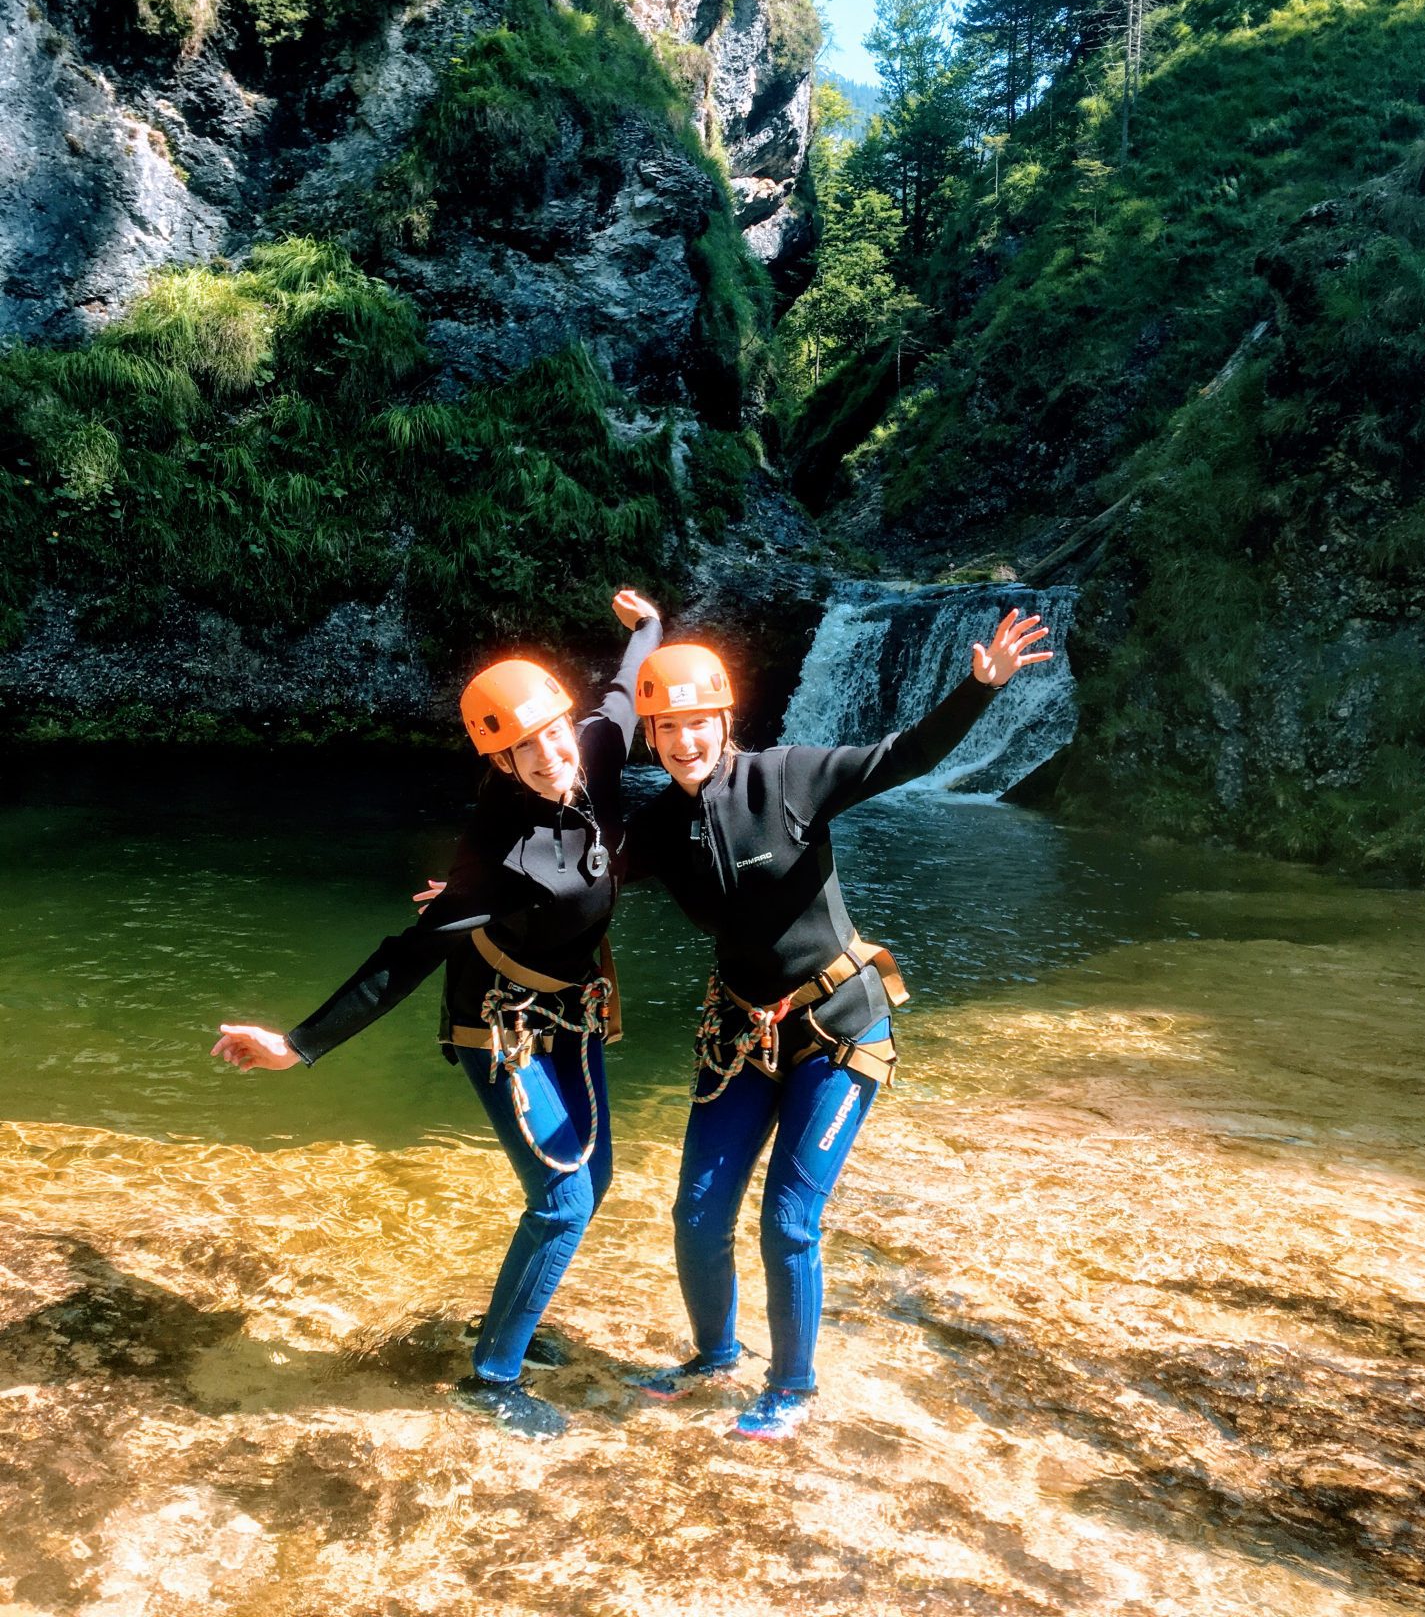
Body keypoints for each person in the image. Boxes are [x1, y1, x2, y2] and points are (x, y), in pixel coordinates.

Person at [211, 589, 662, 1440]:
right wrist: (298, 1045)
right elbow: (404, 957)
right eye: (524, 750)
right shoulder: (496, 855)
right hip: (501, 1023)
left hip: (573, 1012)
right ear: (498, 764)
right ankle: (491, 1378)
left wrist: (646, 629)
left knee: (590, 1183)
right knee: (563, 1200)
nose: (549, 755)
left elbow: (625, 682)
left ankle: (513, 1328)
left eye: (553, 734)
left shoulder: (596, 749)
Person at [626, 606, 1053, 1441]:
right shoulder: (655, 830)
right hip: (743, 1034)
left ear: (724, 720)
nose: (685, 742)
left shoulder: (788, 779)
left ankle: (791, 1388)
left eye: (697, 724)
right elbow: (574, 878)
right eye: (666, 727)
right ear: (649, 733)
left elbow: (905, 756)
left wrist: (981, 687)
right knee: (696, 1216)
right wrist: (471, 900)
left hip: (837, 1028)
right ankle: (713, 1357)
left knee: (787, 1220)